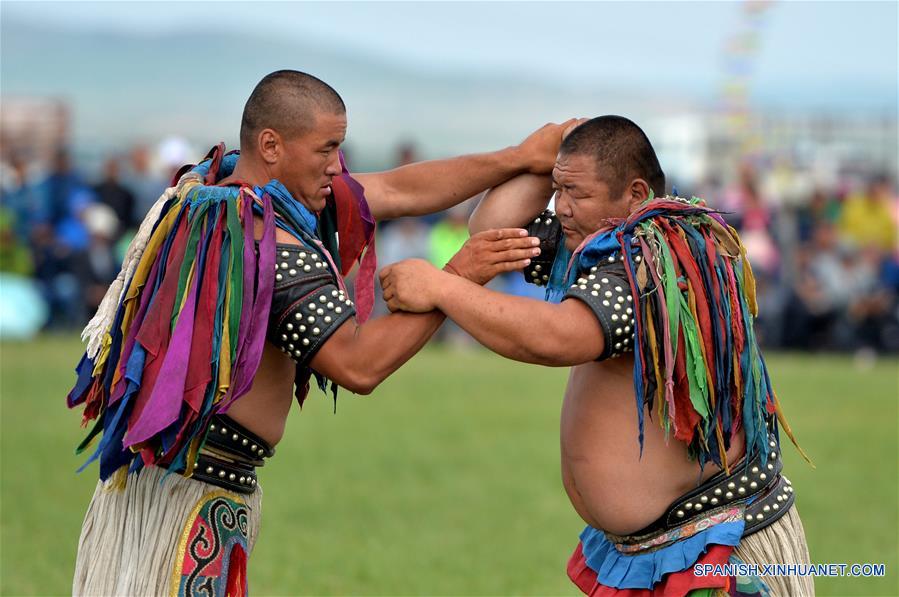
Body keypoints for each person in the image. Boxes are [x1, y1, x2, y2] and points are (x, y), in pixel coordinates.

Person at [67, 69, 571, 596]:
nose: (338, 166)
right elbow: (358, 364)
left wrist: (517, 157)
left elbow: (398, 188)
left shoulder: (210, 191)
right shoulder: (266, 240)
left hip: (154, 492)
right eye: (326, 149)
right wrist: (456, 280)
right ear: (272, 145)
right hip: (188, 506)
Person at [381, 116, 814, 596]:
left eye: (577, 195)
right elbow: (491, 232)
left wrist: (443, 286)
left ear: (634, 194)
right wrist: (538, 160)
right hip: (655, 548)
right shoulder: (597, 240)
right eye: (558, 191)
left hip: (717, 549)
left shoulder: (660, 256)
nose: (562, 208)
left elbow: (557, 338)